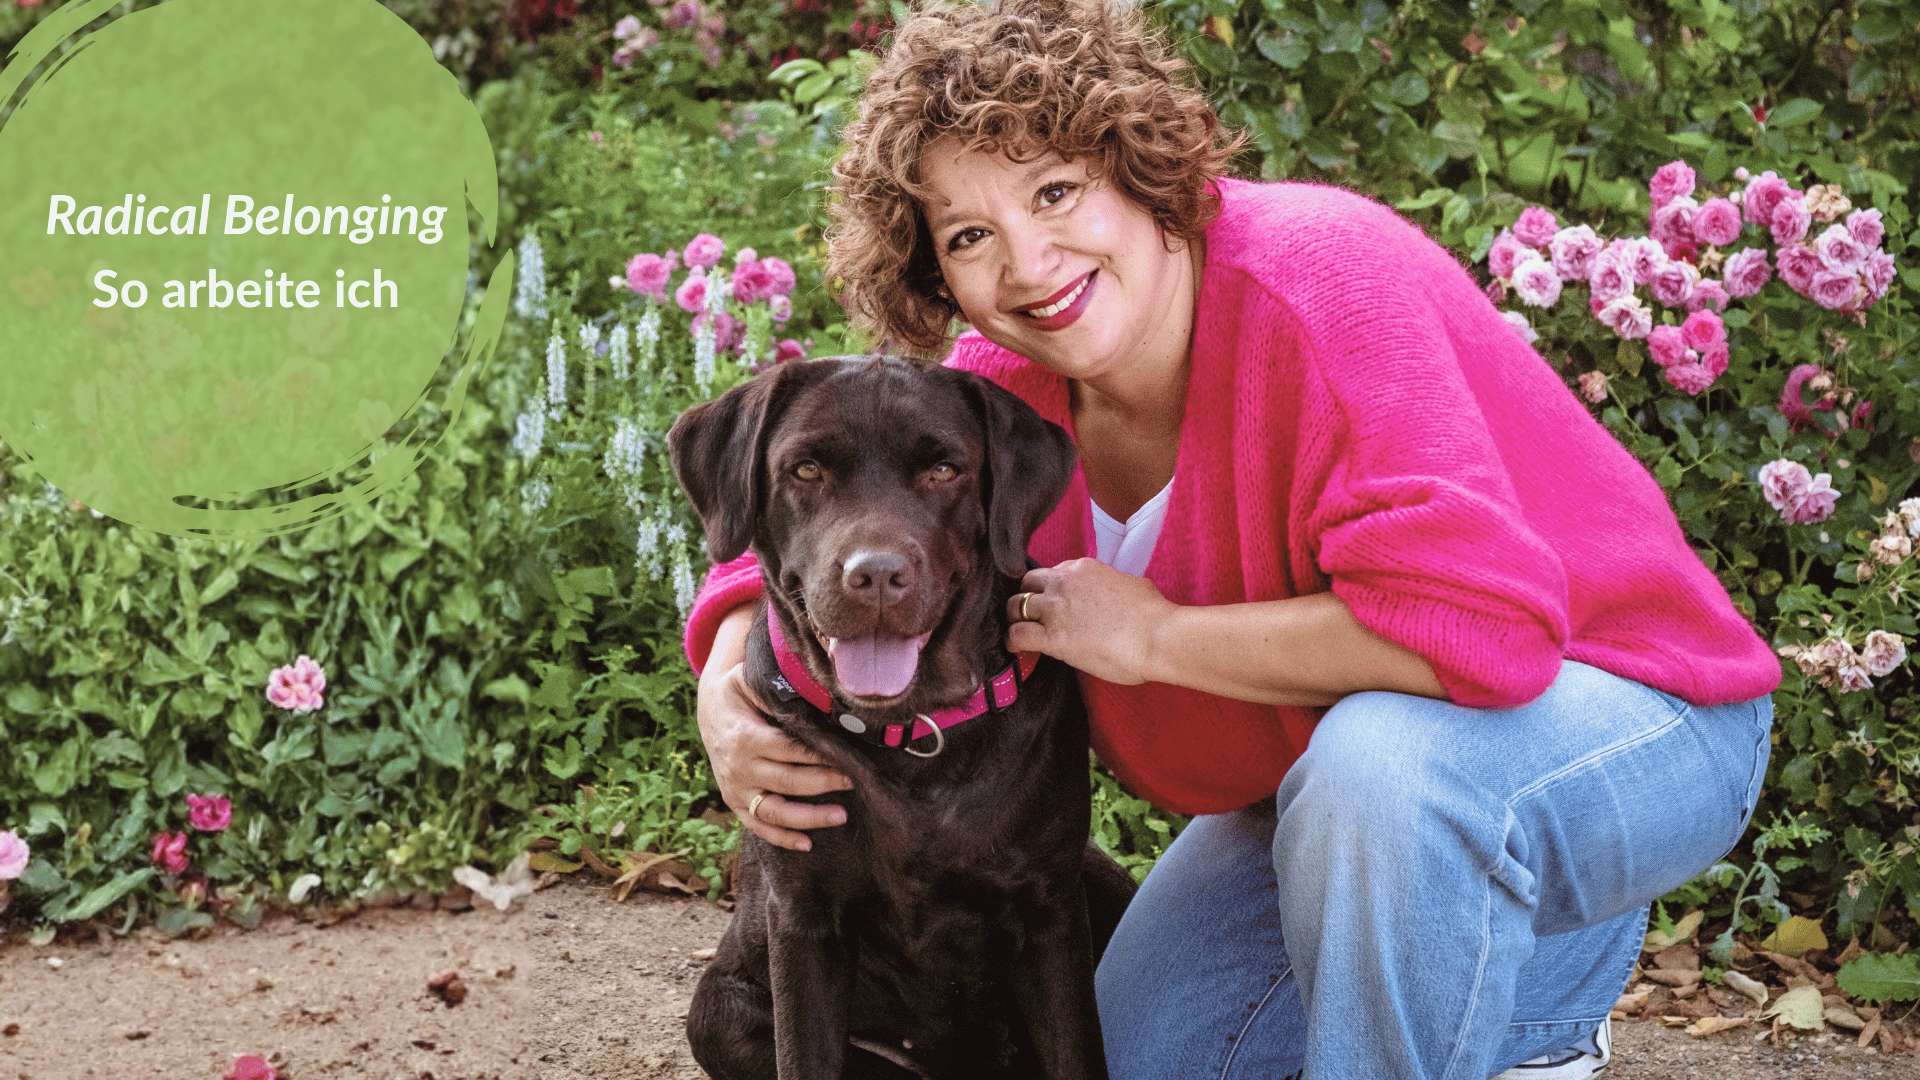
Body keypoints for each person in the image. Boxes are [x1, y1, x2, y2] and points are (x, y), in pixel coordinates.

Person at [680, 1, 1781, 1076]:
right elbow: (802, 498)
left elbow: (1486, 635)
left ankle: (1538, 1009)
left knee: (1384, 771)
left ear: (1142, 172)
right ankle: (1491, 977)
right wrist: (729, 686)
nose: (1027, 263)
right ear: (936, 271)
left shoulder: (1321, 287)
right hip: (1323, 787)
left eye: (1057, 191)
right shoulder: (1007, 394)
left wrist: (1158, 640)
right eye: (972, 236)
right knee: (1150, 1052)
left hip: (1635, 720)